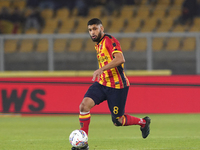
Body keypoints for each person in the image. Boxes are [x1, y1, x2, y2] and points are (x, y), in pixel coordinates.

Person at [71, 18, 151, 150]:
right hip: (102, 83)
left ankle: (143, 122)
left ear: (102, 28)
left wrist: (101, 69)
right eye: (90, 30)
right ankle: (83, 144)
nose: (92, 32)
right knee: (84, 106)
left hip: (117, 86)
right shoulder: (97, 43)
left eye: (95, 29)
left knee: (118, 121)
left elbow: (120, 59)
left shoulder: (110, 40)